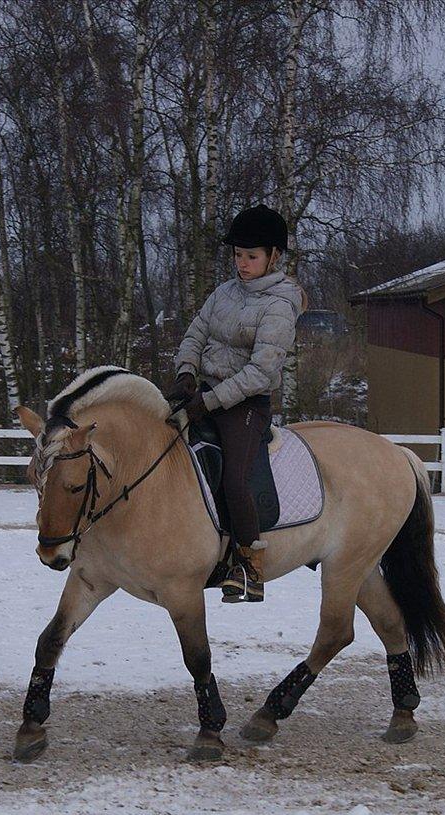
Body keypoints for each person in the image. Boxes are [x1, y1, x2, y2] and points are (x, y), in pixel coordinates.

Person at [167, 204, 307, 603]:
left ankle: (249, 566)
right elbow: (195, 333)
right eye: (237, 256)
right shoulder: (223, 293)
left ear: (273, 257)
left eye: (252, 257)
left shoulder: (279, 305)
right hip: (204, 393)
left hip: (245, 405)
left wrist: (209, 403)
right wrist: (186, 372)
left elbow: (259, 373)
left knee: (234, 479)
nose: (242, 264)